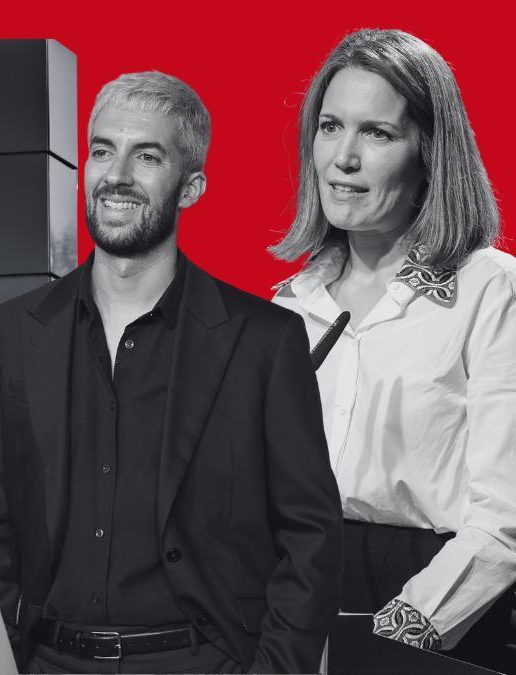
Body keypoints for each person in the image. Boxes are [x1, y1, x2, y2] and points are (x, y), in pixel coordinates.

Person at [0, 71, 342, 673]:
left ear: (191, 187)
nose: (116, 175)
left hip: (202, 662)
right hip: (48, 661)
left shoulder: (265, 341)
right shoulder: (11, 331)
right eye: (102, 151)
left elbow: (310, 536)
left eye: (146, 156)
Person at [272, 29, 516, 673]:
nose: (343, 158)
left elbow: (505, 522)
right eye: (330, 127)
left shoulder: (492, 291)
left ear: (430, 153)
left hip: (442, 606)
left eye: (376, 133)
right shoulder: (289, 307)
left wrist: (391, 638)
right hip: (295, 603)